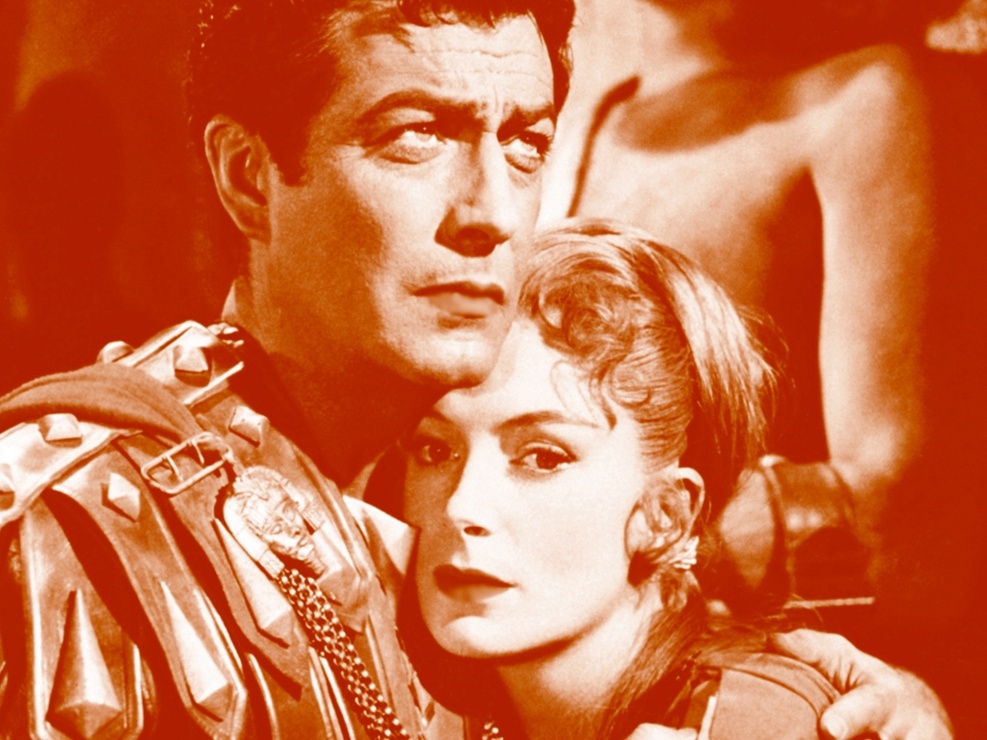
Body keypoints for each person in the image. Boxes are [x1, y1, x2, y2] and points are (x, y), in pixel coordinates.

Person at [0, 0, 953, 738]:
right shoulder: (74, 529)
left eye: (527, 145)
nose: (492, 213)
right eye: (414, 136)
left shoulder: (477, 556)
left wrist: (805, 696)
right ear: (250, 178)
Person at [545, 0, 987, 730]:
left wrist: (580, 523)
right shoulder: (583, 116)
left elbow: (904, 534)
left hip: (747, 685)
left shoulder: (865, 98)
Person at [398, 219, 949, 739]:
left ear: (665, 515)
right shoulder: (438, 692)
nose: (460, 506)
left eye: (543, 457)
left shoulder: (748, 719)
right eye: (435, 449)